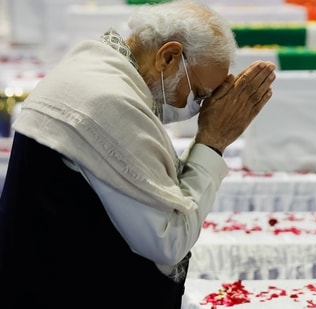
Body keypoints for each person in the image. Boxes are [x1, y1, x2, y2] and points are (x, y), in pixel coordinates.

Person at [0, 0, 276, 308]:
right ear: (168, 58)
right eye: (199, 94)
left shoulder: (94, 65)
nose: (201, 108)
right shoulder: (110, 102)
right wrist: (213, 141)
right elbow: (169, 239)